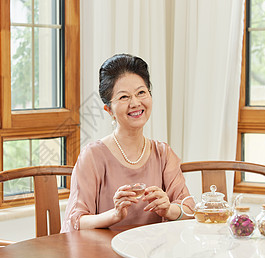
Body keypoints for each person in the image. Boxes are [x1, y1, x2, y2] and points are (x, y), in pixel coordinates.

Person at [61, 54, 195, 232]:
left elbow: (190, 210)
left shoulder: (163, 153)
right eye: (124, 97)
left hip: (152, 256)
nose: (135, 103)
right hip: (104, 255)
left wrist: (168, 209)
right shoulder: (93, 156)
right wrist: (115, 214)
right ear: (109, 110)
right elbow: (76, 221)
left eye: (141, 92)